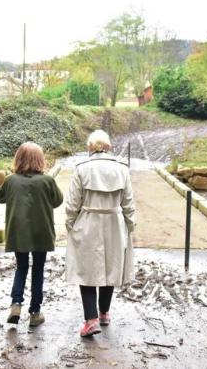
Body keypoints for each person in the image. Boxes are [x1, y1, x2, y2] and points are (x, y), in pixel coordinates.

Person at [65, 129, 136, 337]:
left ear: (89, 148)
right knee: (111, 266)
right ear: (109, 147)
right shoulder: (122, 169)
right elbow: (129, 203)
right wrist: (130, 226)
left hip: (88, 222)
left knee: (85, 270)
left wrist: (70, 225)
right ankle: (104, 313)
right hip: (114, 221)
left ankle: (91, 319)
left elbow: (72, 203)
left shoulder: (81, 169)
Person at [0, 141, 63, 327]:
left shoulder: (11, 180)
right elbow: (58, 201)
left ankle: (16, 304)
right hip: (42, 232)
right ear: (40, 160)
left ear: (18, 159)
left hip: (18, 233)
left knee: (21, 267)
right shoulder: (47, 181)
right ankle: (35, 312)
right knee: (38, 270)